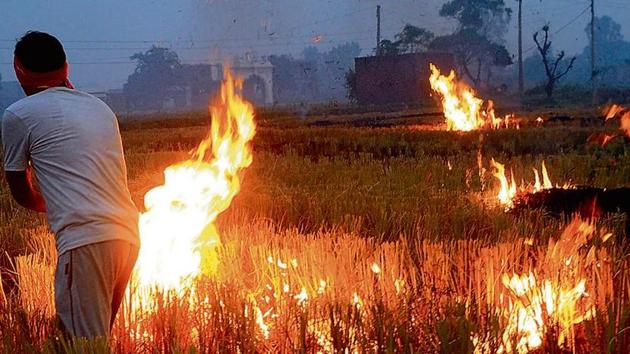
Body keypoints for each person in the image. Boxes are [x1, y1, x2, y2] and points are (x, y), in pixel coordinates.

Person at [1, 31, 139, 338]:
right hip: (127, 238)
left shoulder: (18, 114)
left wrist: (51, 203)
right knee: (91, 339)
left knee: (80, 345)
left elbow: (20, 190)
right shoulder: (100, 108)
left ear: (17, 69)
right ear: (66, 66)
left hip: (85, 243)